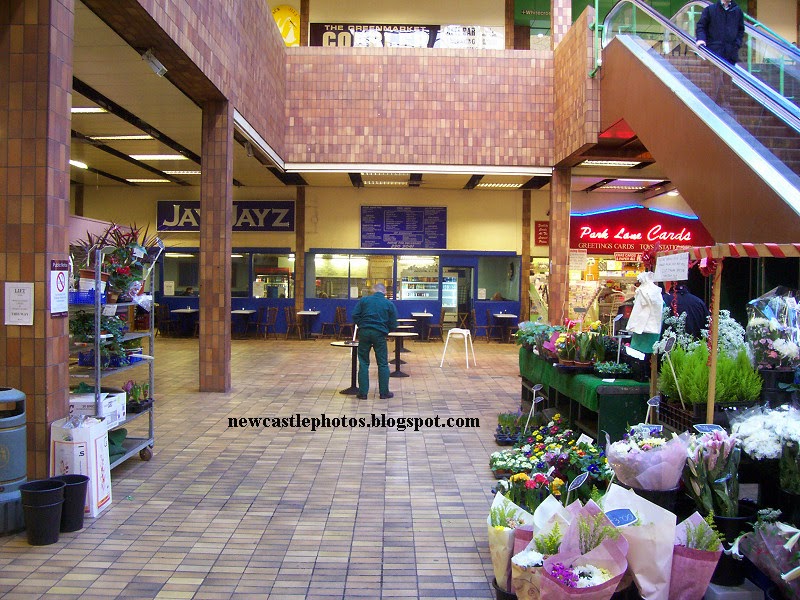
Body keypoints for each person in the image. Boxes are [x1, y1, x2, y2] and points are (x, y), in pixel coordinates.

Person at [351, 283, 398, 400]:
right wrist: (386, 330)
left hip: (364, 333)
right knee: (382, 363)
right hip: (379, 334)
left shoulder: (364, 300)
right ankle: (384, 393)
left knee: (363, 362)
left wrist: (362, 324)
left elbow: (355, 315)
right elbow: (394, 323)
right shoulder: (389, 304)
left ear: (373, 290)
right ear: (384, 292)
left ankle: (363, 393)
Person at [696, 0, 744, 106]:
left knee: (727, 80)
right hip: (714, 52)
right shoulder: (710, 10)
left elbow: (741, 30)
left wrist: (736, 44)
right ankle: (716, 105)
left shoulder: (737, 11)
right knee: (716, 78)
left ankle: (726, 104)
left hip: (730, 52)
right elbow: (701, 26)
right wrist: (701, 39)